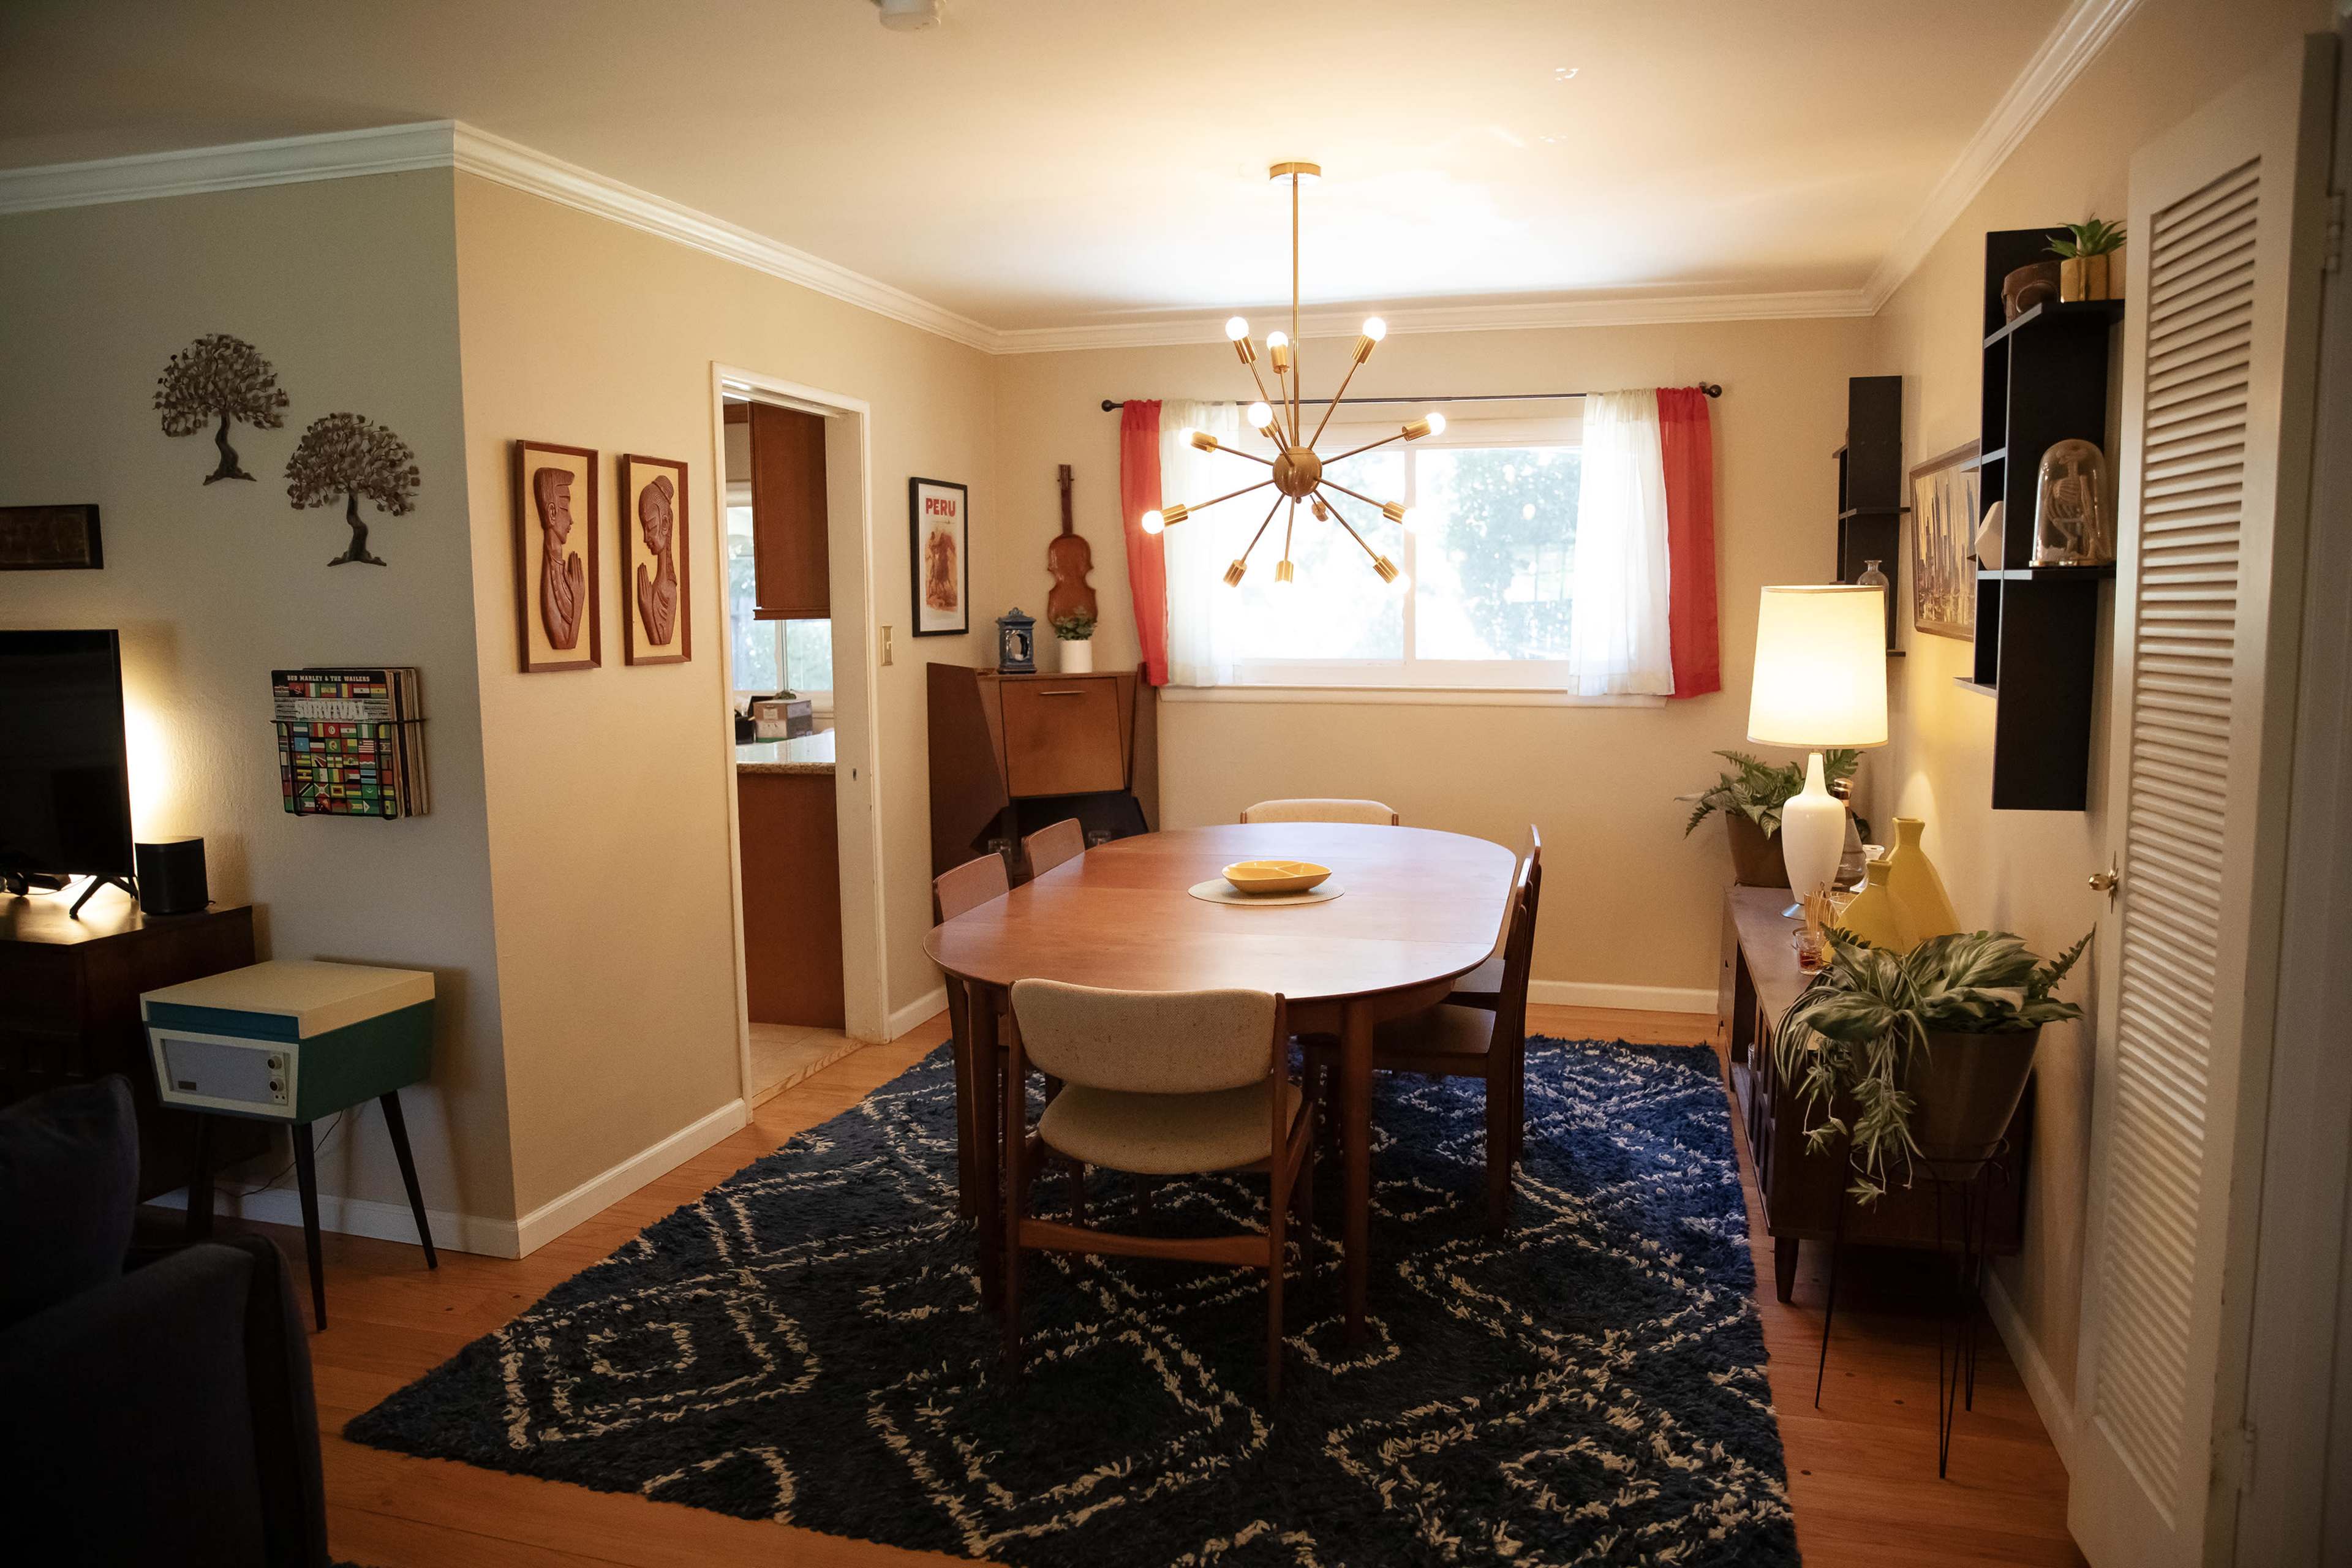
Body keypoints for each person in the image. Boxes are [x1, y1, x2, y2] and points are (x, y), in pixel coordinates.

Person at [535, 466, 588, 650]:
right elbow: (565, 642)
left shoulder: (558, 566)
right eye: (566, 509)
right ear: (552, 513)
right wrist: (579, 599)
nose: (571, 520)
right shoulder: (552, 567)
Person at [635, 472, 679, 646]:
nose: (646, 538)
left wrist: (646, 608)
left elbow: (662, 640)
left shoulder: (668, 588)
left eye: (650, 527)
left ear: (666, 525)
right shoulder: (661, 583)